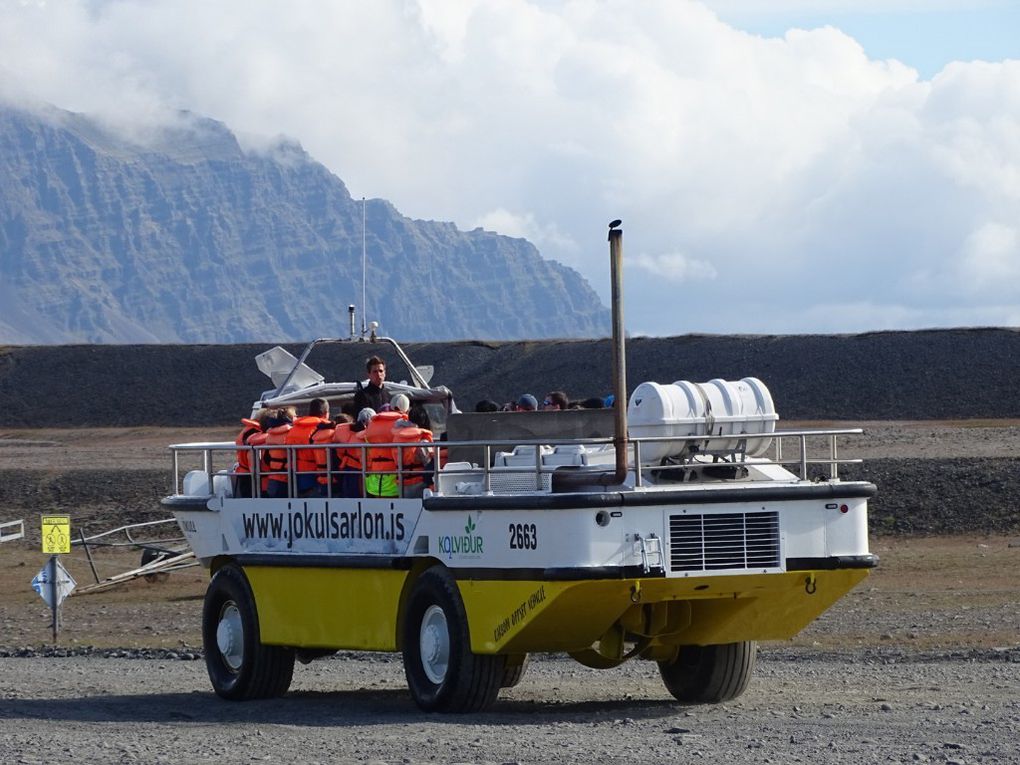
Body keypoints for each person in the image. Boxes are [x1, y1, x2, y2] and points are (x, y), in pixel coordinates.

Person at [287, 398, 332, 497]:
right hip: (314, 475)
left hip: (295, 473)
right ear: (326, 413)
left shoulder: (295, 428)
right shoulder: (321, 428)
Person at [233, 409, 272, 498]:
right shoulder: (254, 432)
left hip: (245, 473)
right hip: (251, 476)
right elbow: (252, 458)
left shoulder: (247, 430)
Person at [261, 409, 294, 498]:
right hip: (287, 479)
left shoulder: (270, 436)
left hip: (273, 479)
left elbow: (266, 459)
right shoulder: (290, 434)